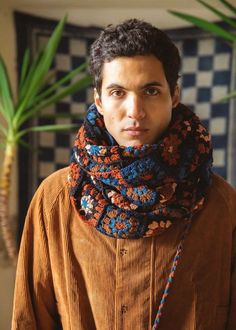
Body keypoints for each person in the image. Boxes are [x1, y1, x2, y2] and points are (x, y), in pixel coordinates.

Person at [12, 18, 236, 330]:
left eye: (151, 91)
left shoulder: (222, 206)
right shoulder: (55, 199)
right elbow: (30, 319)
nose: (135, 110)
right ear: (99, 100)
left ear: (174, 95)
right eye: (118, 92)